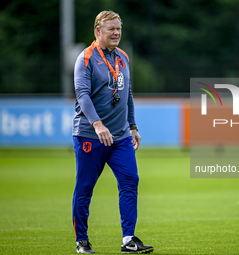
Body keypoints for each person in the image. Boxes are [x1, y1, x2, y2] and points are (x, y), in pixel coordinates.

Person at [72, 10, 154, 254]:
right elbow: (82, 95)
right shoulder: (85, 58)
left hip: (120, 137)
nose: (116, 33)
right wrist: (98, 125)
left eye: (118, 28)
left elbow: (127, 93)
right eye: (111, 29)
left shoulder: (123, 57)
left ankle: (128, 240)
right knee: (85, 187)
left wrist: (133, 126)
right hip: (90, 135)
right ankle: (82, 241)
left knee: (130, 181)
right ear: (98, 31)